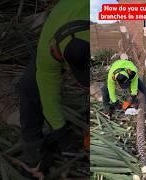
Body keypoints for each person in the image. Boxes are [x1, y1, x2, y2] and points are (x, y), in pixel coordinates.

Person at [18, 0, 89, 175]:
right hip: (62, 23)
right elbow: (48, 92)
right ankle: (34, 153)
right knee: (28, 87)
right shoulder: (50, 49)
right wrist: (61, 132)